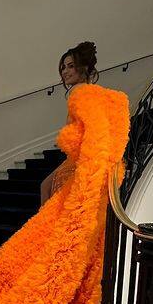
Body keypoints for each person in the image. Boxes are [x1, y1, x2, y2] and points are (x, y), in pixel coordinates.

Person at [40, 41, 99, 204]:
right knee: (45, 187)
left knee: (54, 199)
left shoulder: (78, 90)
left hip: (78, 161)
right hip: (79, 159)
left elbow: (89, 128)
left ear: (84, 68)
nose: (65, 71)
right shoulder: (89, 92)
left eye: (71, 66)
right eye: (63, 67)